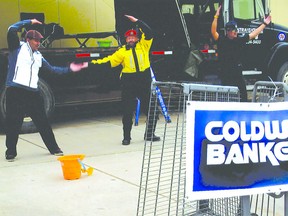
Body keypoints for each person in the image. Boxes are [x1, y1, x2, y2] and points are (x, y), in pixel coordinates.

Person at [4, 19, 88, 162]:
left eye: (39, 41)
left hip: (32, 92)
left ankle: (54, 148)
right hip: (15, 90)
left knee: (42, 121)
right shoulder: (17, 48)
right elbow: (11, 28)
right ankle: (11, 152)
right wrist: (29, 21)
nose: (38, 43)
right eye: (36, 41)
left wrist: (70, 69)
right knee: (14, 122)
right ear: (28, 40)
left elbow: (53, 70)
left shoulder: (38, 56)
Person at [89, 15, 160, 145]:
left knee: (152, 109)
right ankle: (126, 137)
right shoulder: (122, 52)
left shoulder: (144, 45)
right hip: (129, 82)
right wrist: (91, 63)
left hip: (144, 81)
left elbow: (149, 32)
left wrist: (137, 21)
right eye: (129, 37)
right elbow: (109, 61)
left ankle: (150, 134)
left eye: (133, 37)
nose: (131, 39)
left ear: (138, 38)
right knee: (127, 112)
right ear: (126, 40)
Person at [211, 5, 272, 102]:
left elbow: (254, 34)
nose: (236, 32)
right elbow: (213, 31)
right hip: (225, 71)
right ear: (229, 31)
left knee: (243, 92)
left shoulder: (239, 40)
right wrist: (216, 16)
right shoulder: (222, 41)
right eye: (234, 30)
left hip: (237, 71)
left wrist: (264, 24)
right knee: (226, 93)